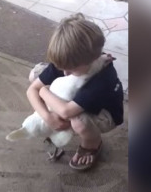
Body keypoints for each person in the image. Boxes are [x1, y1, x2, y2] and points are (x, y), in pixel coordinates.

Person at [26, 13, 124, 170]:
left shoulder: (103, 79)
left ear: (93, 59)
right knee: (34, 75)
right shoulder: (70, 60)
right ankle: (54, 100)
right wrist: (48, 116)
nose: (65, 73)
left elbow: (66, 112)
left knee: (78, 121)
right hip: (74, 96)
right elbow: (31, 90)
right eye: (61, 67)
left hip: (106, 113)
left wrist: (44, 91)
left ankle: (92, 144)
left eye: (71, 69)